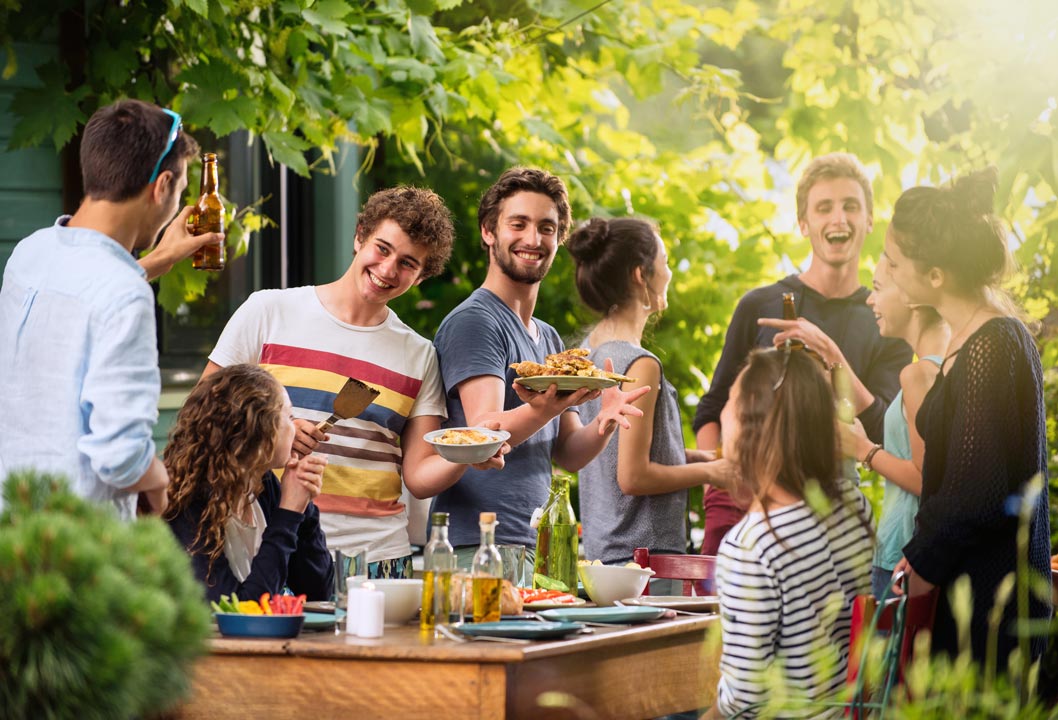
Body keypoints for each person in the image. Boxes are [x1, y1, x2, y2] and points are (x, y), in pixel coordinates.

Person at [203, 186, 505, 580]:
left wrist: (469, 455)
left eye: (408, 263)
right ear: (359, 236)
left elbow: (418, 476)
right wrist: (273, 433)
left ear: (420, 276)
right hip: (271, 544)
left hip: (378, 559)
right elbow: (203, 414)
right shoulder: (268, 311)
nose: (387, 269)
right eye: (382, 248)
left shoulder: (419, 355)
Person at [0, 99, 223, 519]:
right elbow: (120, 456)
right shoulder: (125, 296)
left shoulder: (30, 253)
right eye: (179, 192)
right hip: (76, 549)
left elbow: (82, 299)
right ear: (161, 188)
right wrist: (159, 481)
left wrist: (156, 261)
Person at [692, 152, 911, 555]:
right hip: (742, 505)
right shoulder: (759, 304)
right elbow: (712, 409)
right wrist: (719, 484)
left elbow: (882, 430)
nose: (838, 218)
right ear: (804, 224)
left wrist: (830, 354)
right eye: (824, 207)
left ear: (869, 220)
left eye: (851, 206)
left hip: (832, 513)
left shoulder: (887, 320)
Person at [431, 167, 650, 565]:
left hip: (530, 545)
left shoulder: (546, 338)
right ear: (488, 231)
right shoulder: (476, 321)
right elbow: (484, 430)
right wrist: (546, 407)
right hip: (479, 545)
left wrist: (604, 422)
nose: (533, 239)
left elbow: (567, 453)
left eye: (547, 228)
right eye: (519, 224)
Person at [884, 168, 1051, 665]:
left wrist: (917, 562)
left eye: (894, 263)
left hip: (992, 606)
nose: (889, 273)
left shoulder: (993, 345)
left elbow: (975, 488)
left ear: (936, 276)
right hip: (966, 589)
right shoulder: (966, 341)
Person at [703, 348, 874, 719]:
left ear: (753, 428)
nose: (722, 414)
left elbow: (744, 699)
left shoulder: (751, 546)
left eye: (730, 403)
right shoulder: (853, 504)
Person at [565, 217, 732, 568]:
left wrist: (701, 458)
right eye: (665, 262)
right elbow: (633, 475)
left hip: (604, 561)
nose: (669, 273)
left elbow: (617, 455)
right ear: (641, 275)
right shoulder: (640, 363)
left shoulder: (587, 352)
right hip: (645, 564)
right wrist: (711, 474)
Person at [164, 364, 333, 602]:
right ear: (259, 429)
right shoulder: (189, 503)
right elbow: (241, 611)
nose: (296, 428)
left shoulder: (264, 488)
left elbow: (318, 592)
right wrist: (288, 514)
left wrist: (303, 508)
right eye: (289, 416)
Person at [839, 257, 949, 600]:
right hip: (914, 553)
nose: (870, 300)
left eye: (878, 288)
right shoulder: (946, 369)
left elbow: (925, 478)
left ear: (911, 296)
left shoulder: (916, 376)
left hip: (901, 556)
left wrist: (862, 448)